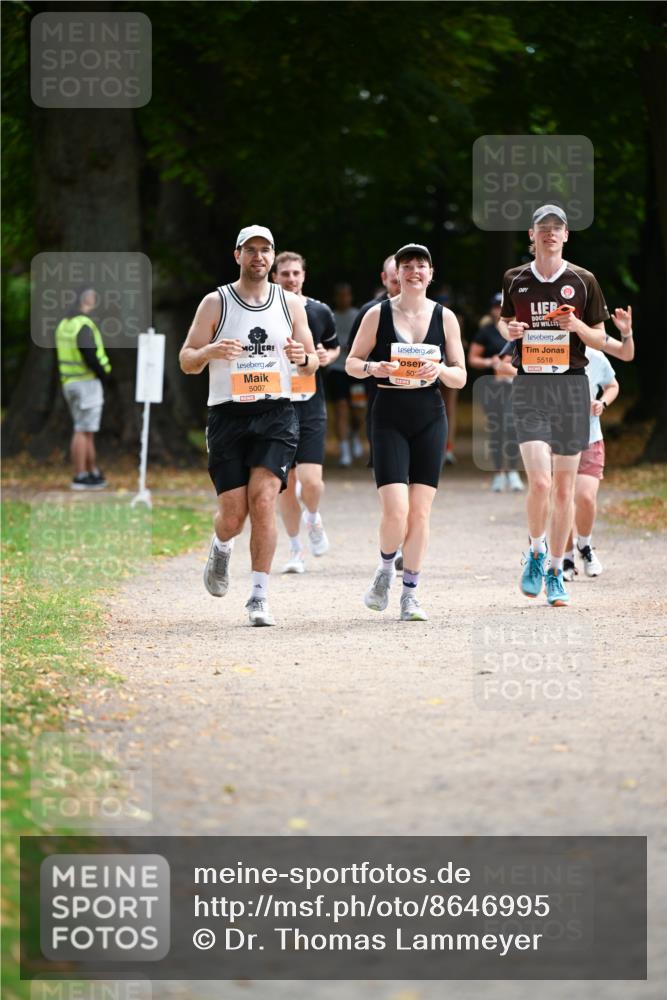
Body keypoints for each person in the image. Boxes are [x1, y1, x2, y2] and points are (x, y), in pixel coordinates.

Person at [179, 226, 318, 626]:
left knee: (263, 500)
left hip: (276, 413)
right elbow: (187, 360)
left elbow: (311, 361)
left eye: (266, 250)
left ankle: (259, 596)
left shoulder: (290, 303)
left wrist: (301, 356)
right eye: (251, 250)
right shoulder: (215, 302)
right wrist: (210, 350)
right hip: (228, 415)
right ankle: (221, 546)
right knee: (233, 514)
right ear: (237, 255)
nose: (259, 257)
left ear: (273, 257)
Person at [499, 204, 634, 607]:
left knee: (563, 489)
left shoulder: (583, 279)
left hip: (572, 388)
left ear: (567, 235)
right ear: (532, 234)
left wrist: (574, 326)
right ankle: (537, 552)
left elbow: (598, 337)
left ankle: (557, 570)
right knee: (539, 482)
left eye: (557, 228)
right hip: (530, 386)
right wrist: (513, 329)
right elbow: (507, 324)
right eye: (544, 228)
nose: (550, 234)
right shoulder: (515, 279)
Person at [346, 243, 466, 621]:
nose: (415, 271)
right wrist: (372, 369)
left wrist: (441, 372)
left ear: (431, 274)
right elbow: (350, 362)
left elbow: (461, 375)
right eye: (408, 266)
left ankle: (410, 594)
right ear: (396, 273)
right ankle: (384, 571)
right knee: (396, 511)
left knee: (421, 514)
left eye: (421, 266)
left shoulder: (445, 317)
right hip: (389, 415)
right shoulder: (377, 314)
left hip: (430, 415)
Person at [272, 251, 339, 573]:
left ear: (304, 275)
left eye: (296, 273)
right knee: (285, 482)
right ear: (274, 277)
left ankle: (313, 517)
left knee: (311, 480)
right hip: (274, 403)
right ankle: (295, 549)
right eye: (285, 273)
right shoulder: (265, 311)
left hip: (310, 401)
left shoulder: (319, 310)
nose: (291, 279)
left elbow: (334, 346)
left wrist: (326, 356)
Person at [563, 348, 619, 580]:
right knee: (562, 498)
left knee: (585, 497)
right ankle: (565, 557)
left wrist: (602, 403)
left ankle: (584, 546)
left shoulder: (595, 357)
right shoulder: (552, 351)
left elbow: (612, 385)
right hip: (558, 438)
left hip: (590, 437)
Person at [54, 287, 112, 490]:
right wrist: (104, 375)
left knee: (86, 429)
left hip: (69, 382)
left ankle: (91, 472)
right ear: (86, 299)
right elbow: (89, 354)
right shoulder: (83, 324)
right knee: (82, 429)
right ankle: (80, 475)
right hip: (87, 382)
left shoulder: (64, 324)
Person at [468, 292, 523, 492]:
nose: (499, 310)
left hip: (516, 386)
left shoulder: (520, 330)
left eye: (503, 307)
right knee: (497, 427)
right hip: (494, 387)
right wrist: (490, 362)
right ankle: (499, 472)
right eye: (496, 307)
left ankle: (513, 471)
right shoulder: (486, 332)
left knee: (513, 427)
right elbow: (473, 358)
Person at [327, 282, 365, 466]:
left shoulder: (358, 315)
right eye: (340, 295)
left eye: (346, 295)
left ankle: (355, 435)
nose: (343, 298)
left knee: (358, 411)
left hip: (355, 371)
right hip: (336, 370)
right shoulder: (330, 316)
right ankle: (344, 451)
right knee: (341, 408)